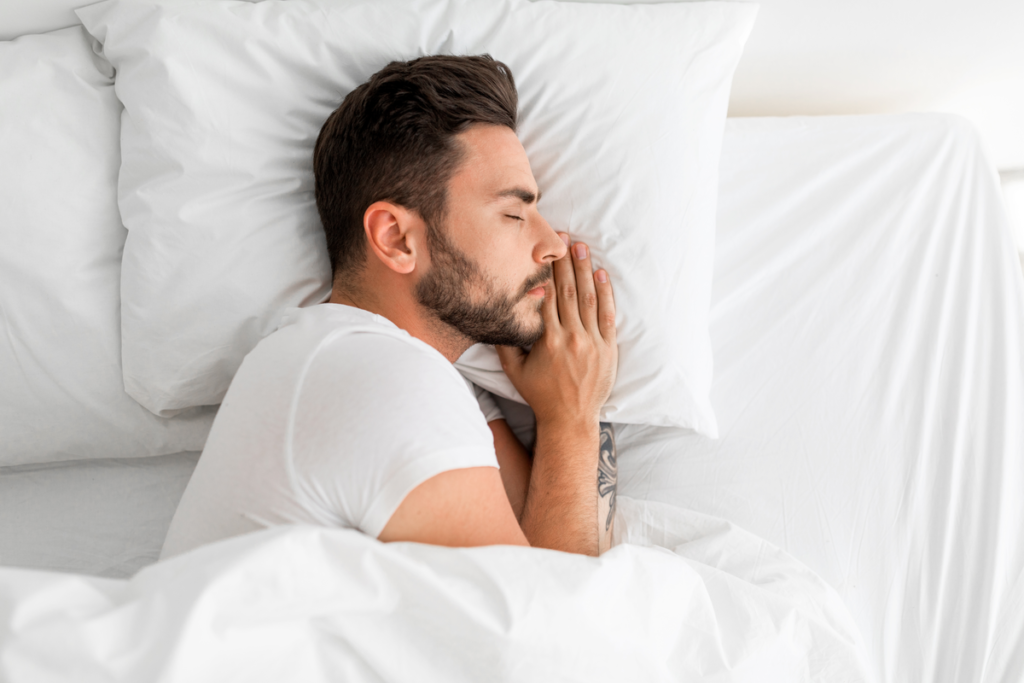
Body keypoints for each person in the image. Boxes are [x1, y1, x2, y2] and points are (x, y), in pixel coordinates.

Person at [160, 55, 619, 560]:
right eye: (513, 212)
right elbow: (562, 622)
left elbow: (538, 550)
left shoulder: (359, 364)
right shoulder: (379, 377)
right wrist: (574, 417)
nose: (553, 243)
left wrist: (563, 415)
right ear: (397, 238)